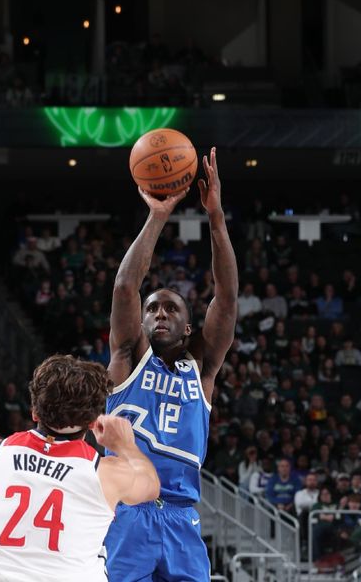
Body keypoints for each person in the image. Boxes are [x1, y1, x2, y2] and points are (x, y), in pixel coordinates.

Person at [0, 355, 159, 582]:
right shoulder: (108, 473)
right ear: (92, 422)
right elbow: (151, 486)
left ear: (34, 411)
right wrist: (126, 446)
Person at [104, 147, 238, 581]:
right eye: (153, 309)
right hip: (128, 513)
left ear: (188, 328)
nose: (160, 313)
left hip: (182, 517)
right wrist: (158, 215)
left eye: (171, 309)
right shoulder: (127, 358)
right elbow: (126, 286)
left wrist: (215, 218)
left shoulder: (202, 366)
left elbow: (228, 297)